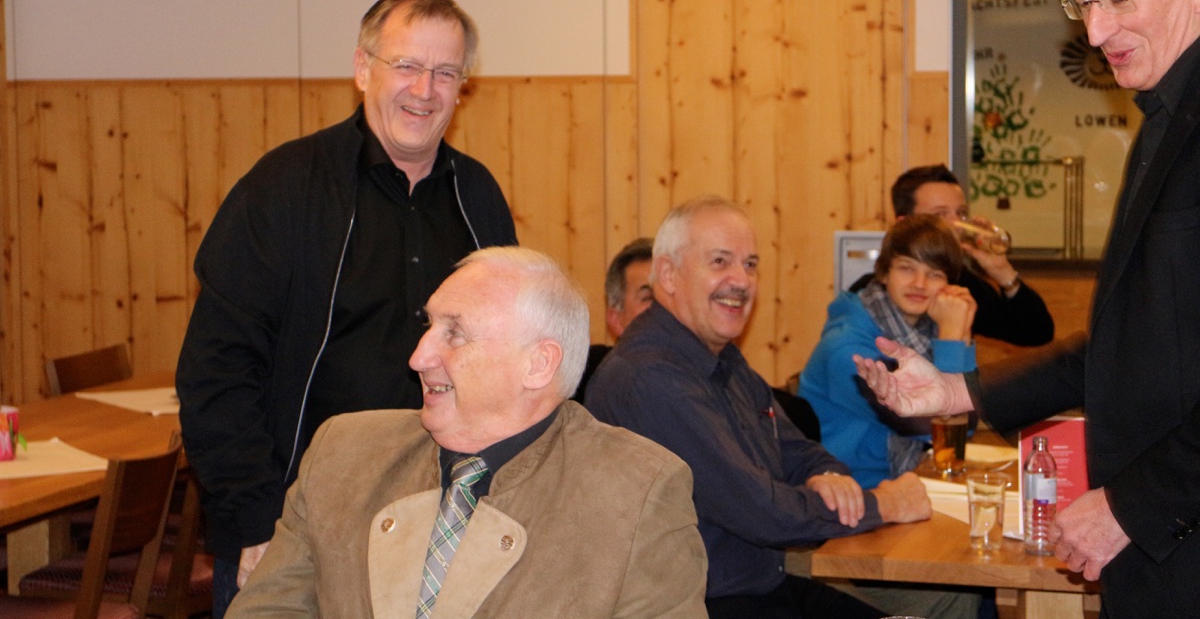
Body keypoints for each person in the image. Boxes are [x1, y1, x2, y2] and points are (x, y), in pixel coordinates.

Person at [854, 0, 1200, 619]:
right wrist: (960, 393)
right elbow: (1126, 345)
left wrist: (1134, 505)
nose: (1095, 33)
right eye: (1083, 4)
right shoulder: (1163, 118)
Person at [176, 0, 518, 618]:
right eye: (407, 65)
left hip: (444, 530)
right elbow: (216, 369)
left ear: (463, 88)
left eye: (446, 73)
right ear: (363, 69)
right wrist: (255, 520)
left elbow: (507, 364)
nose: (425, 90)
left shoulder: (477, 200)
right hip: (295, 532)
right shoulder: (283, 189)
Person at [226, 247, 708, 619]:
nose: (418, 357)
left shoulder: (637, 493)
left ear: (538, 364)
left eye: (454, 333)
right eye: (429, 325)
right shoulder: (343, 454)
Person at [587, 196, 972, 619]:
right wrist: (883, 504)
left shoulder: (719, 355)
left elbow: (795, 447)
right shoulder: (651, 377)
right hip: (704, 605)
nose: (741, 280)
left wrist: (828, 475)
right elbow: (760, 510)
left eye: (750, 264)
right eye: (720, 262)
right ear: (668, 274)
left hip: (764, 582)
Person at [801, 214, 977, 488]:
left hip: (907, 480)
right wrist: (953, 337)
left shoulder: (927, 330)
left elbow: (967, 423)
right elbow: (940, 428)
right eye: (907, 268)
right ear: (883, 273)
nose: (919, 283)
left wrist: (961, 333)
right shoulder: (848, 349)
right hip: (856, 491)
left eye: (934, 274)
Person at [849, 164, 1054, 346]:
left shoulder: (960, 281)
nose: (956, 225)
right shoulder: (870, 294)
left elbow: (1037, 332)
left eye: (960, 213)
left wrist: (1002, 272)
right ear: (904, 224)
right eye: (940, 214)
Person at [574, 236, 653, 402]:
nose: (664, 308)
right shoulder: (586, 375)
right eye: (648, 298)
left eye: (670, 296)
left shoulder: (701, 369)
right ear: (616, 320)